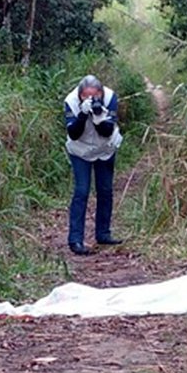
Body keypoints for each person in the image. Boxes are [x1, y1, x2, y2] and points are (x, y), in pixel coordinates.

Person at [63, 75, 124, 255]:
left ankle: (103, 234)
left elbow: (107, 131)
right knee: (81, 191)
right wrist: (82, 114)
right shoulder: (71, 101)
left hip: (105, 148)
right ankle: (75, 240)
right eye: (86, 96)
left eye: (94, 96)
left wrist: (98, 116)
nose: (90, 99)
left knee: (105, 190)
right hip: (80, 150)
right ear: (80, 94)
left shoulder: (110, 98)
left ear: (101, 92)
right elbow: (73, 133)